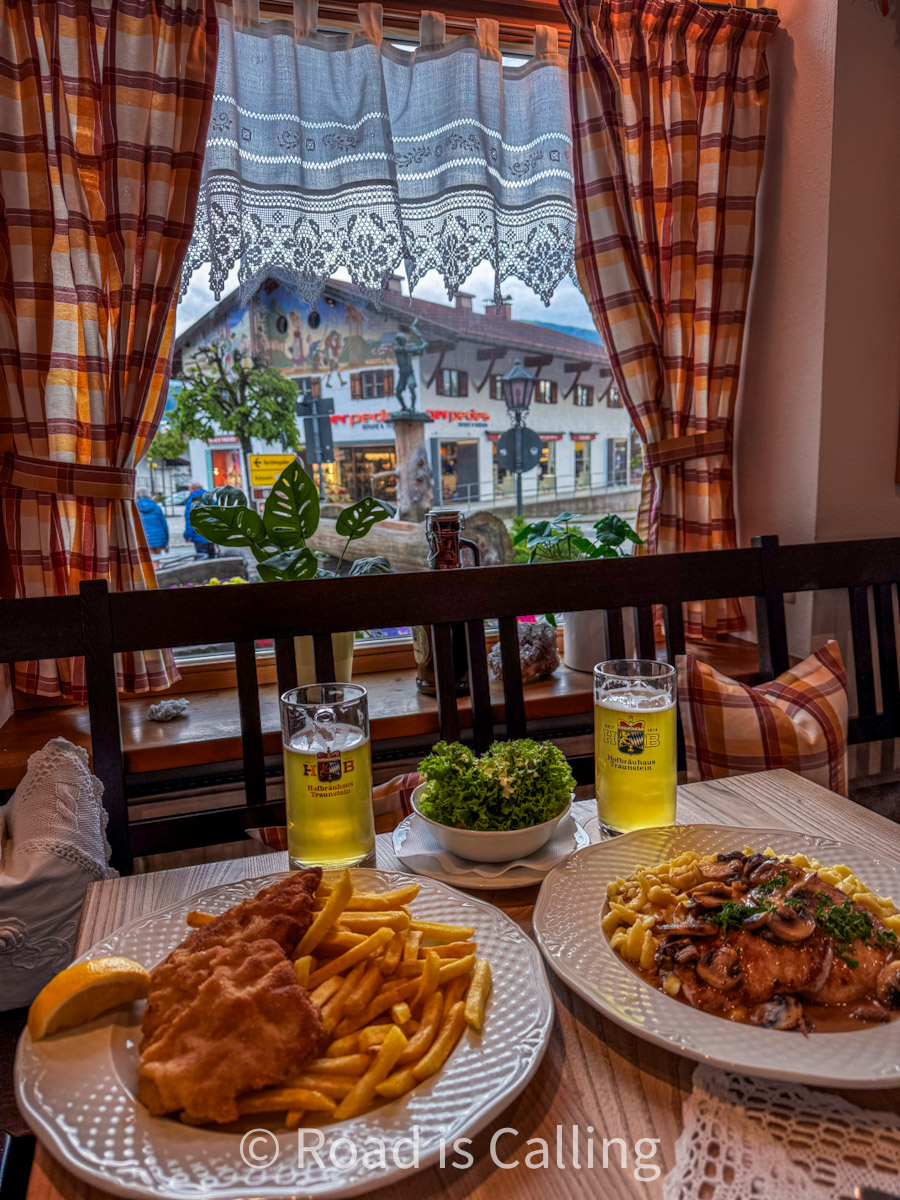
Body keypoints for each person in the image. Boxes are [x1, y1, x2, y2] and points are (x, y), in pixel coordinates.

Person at [135, 487, 168, 565]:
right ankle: (158, 573)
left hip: (144, 537)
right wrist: (166, 540)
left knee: (149, 561)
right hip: (159, 537)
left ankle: (155, 575)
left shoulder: (134, 507)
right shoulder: (156, 507)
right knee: (156, 560)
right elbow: (164, 524)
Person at [184, 481, 217, 559]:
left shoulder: (192, 500)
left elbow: (190, 520)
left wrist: (187, 535)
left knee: (201, 558)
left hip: (199, 535)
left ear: (192, 489)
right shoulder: (211, 499)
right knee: (212, 559)